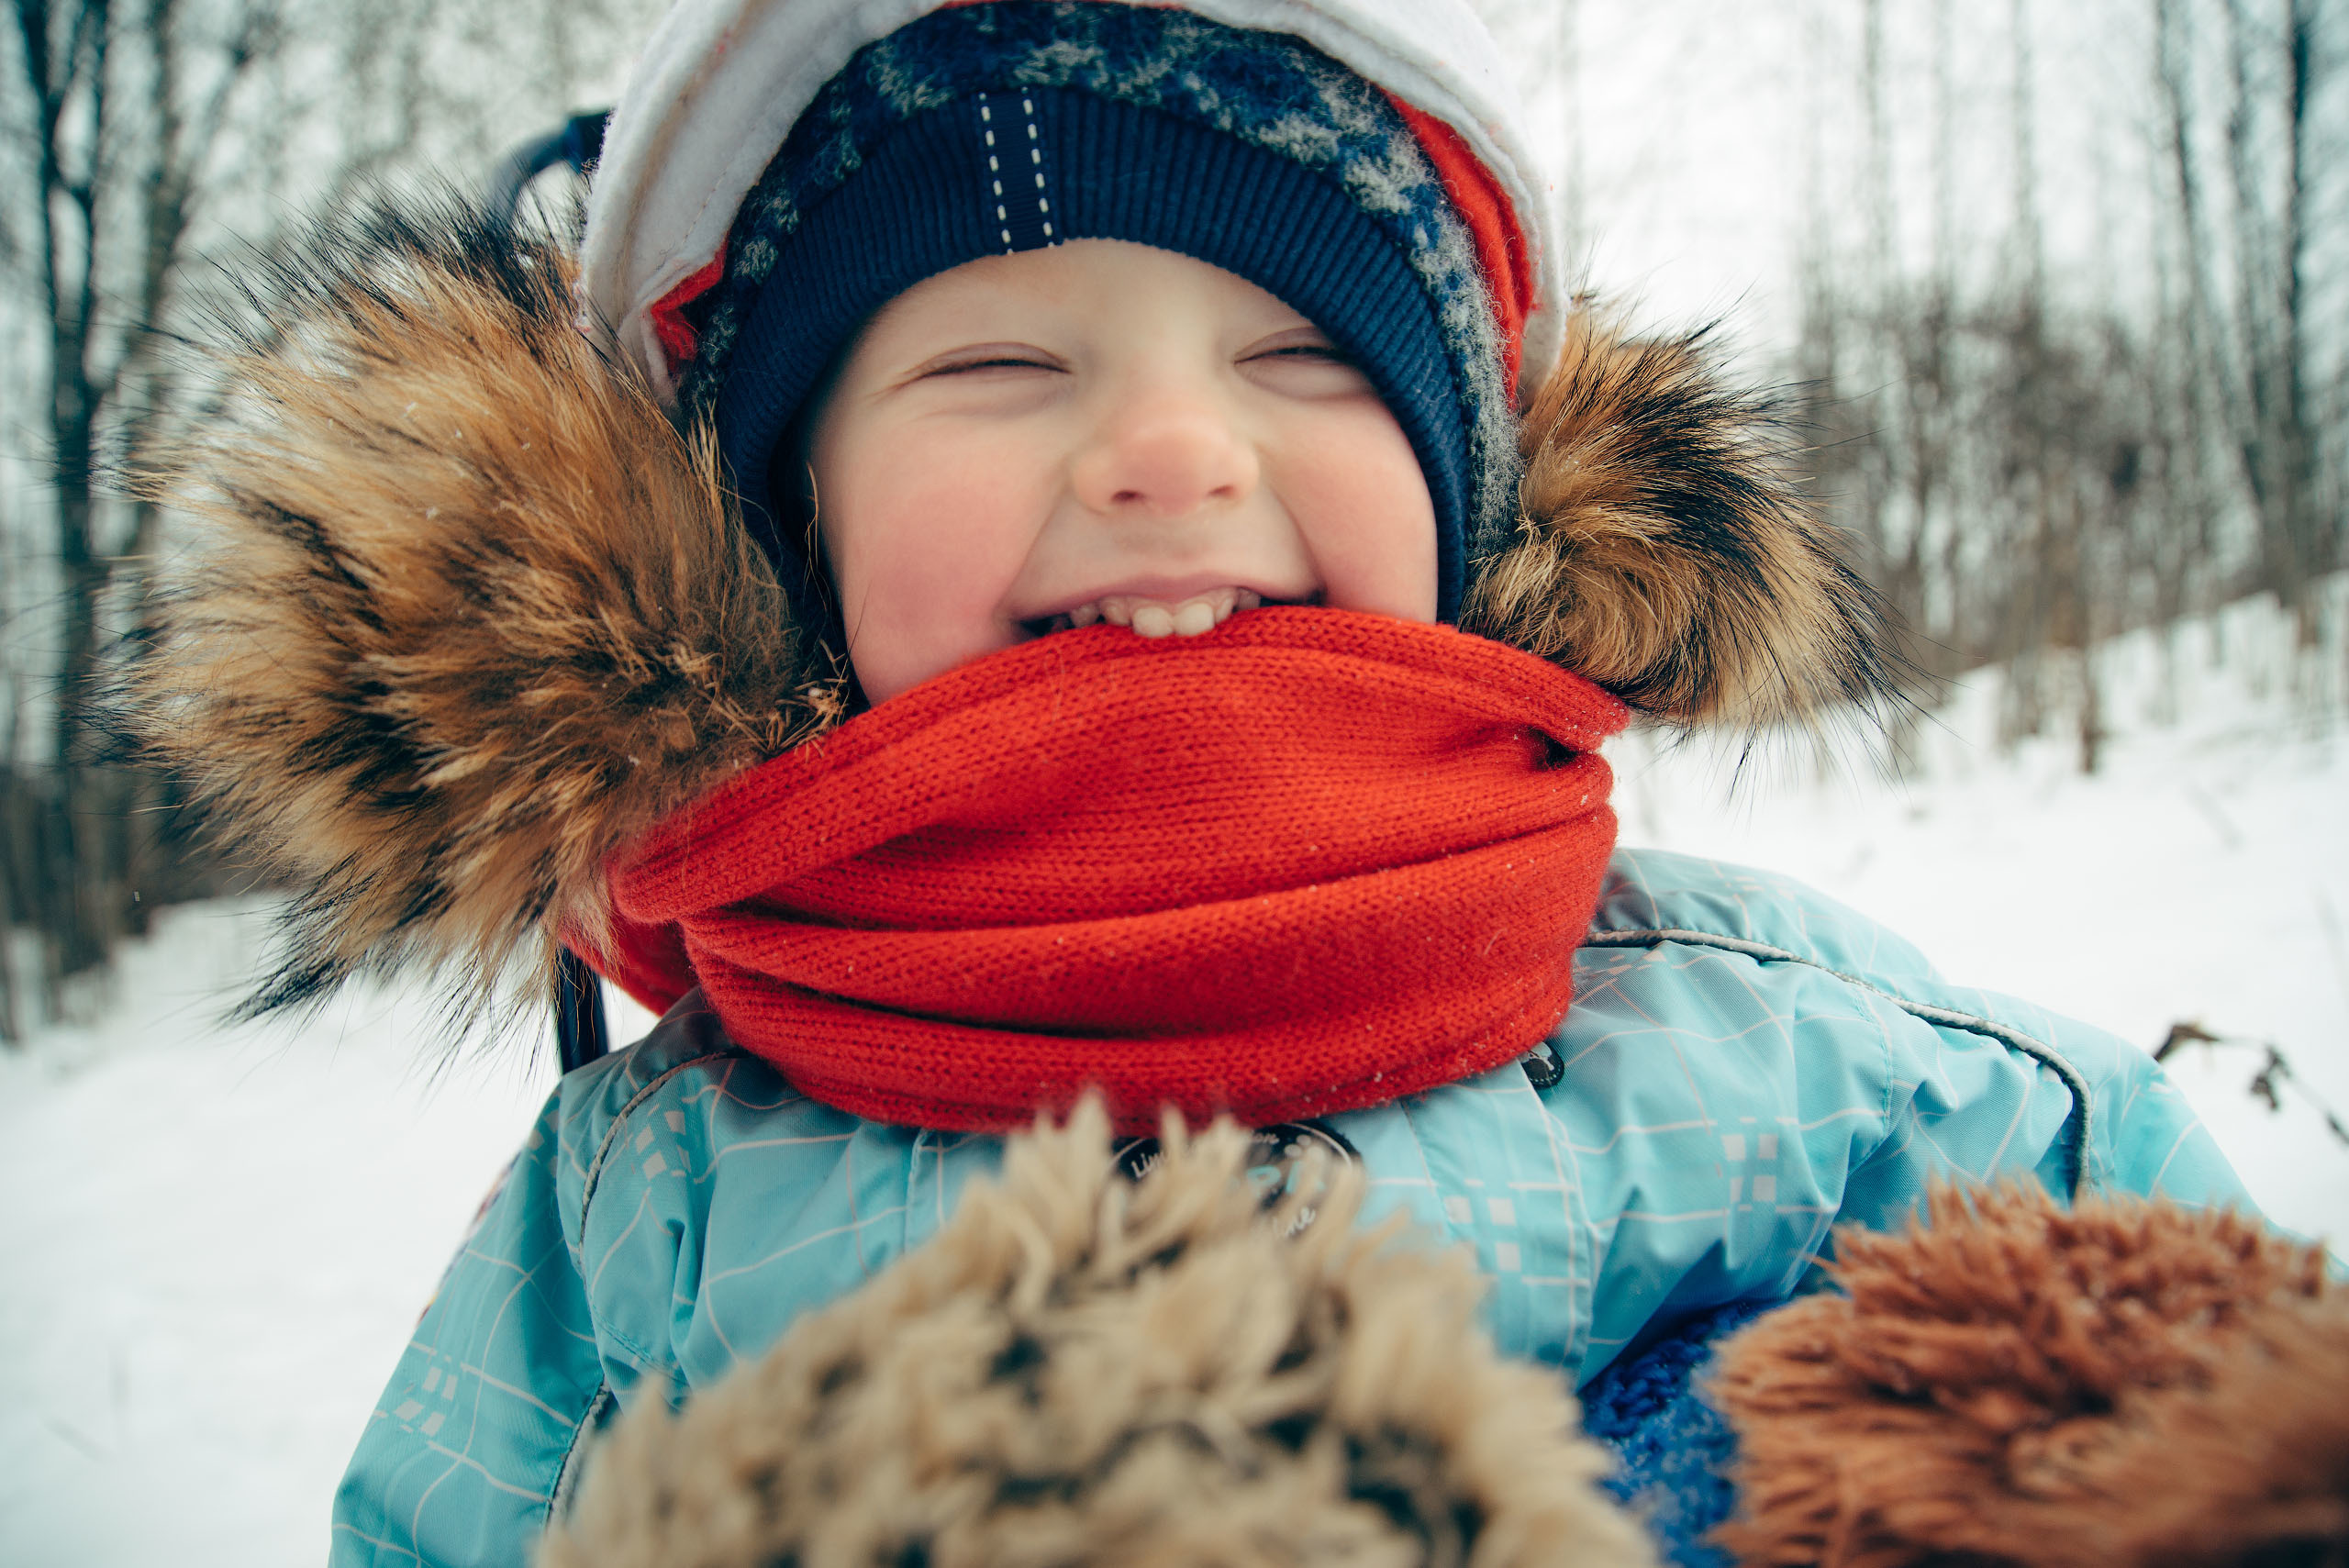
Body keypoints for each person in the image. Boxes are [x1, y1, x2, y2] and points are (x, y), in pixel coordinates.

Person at [131, 2, 2254, 1563]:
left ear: (1466, 495)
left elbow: (2206, 1365)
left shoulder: (1794, 1056)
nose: (1169, 449)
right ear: (787, 539)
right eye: (993, 367)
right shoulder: (648, 1195)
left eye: (1300, 359)